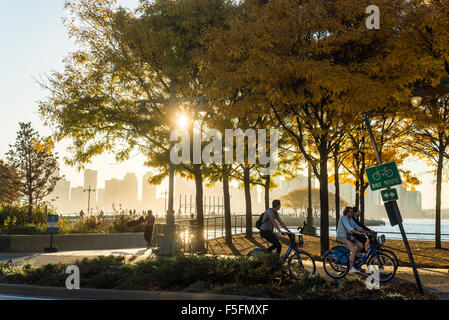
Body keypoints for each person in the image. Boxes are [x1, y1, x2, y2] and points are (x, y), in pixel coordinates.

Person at [336, 206, 368, 273]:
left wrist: (366, 232)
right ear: (346, 212)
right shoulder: (343, 218)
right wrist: (358, 233)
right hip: (342, 236)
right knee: (353, 249)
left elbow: (357, 227)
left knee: (361, 245)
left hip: (348, 236)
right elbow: (349, 228)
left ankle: (352, 257)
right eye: (350, 212)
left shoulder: (350, 219)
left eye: (352, 212)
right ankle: (351, 267)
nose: (352, 213)